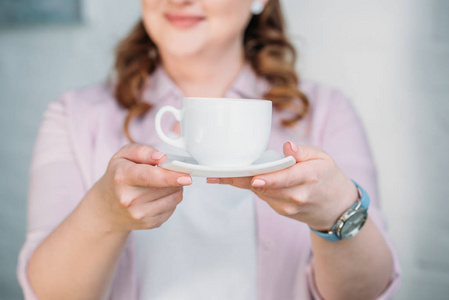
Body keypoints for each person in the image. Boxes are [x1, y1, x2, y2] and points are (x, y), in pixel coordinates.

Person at [17, 0, 401, 299]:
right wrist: (102, 215)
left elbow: (365, 293)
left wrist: (337, 213)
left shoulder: (328, 113)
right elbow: (49, 295)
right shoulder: (73, 116)